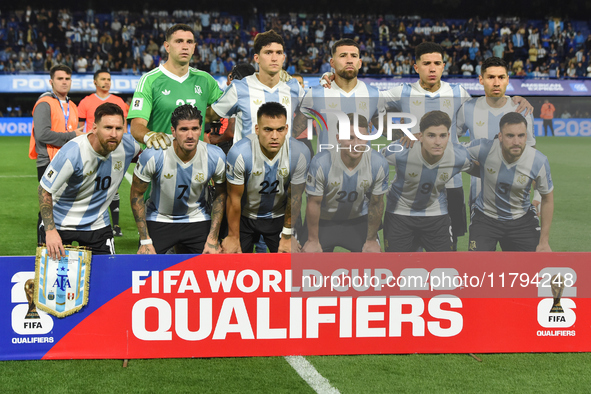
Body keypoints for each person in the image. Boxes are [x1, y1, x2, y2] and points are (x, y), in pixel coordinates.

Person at [381, 42, 532, 251]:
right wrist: (400, 132)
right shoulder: (401, 92)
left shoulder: (458, 92)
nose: (432, 68)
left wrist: (514, 99)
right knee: (407, 251)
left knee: (449, 247)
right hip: (409, 185)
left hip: (450, 182)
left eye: (437, 63)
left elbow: (484, 106)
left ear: (444, 66)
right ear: (416, 67)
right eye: (426, 63)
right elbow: (371, 109)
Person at [38, 103, 140, 260]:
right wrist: (50, 231)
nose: (114, 134)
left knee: (107, 276)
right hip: (59, 224)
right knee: (54, 280)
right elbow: (44, 190)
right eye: (108, 127)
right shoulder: (72, 152)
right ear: (94, 128)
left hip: (97, 224)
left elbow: (147, 158)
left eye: (118, 128)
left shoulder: (128, 146)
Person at [129, 105, 227, 254]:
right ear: (173, 131)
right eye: (183, 129)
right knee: (145, 267)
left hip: (197, 219)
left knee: (212, 268)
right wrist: (145, 240)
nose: (190, 135)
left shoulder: (215, 155)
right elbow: (136, 194)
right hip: (159, 218)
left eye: (194, 129)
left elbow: (221, 193)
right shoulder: (154, 155)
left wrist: (213, 237)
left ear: (201, 129)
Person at [380, 111, 476, 252]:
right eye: (431, 135)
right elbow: (373, 161)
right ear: (420, 136)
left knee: (445, 268)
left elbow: (479, 169)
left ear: (448, 136)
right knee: (397, 268)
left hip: (436, 214)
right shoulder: (400, 151)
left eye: (442, 136)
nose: (437, 142)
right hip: (399, 214)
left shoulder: (459, 156)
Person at [222, 102, 310, 253]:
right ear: (257, 129)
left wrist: (287, 235)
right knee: (234, 262)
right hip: (244, 216)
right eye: (268, 130)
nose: (274, 136)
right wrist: (233, 236)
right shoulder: (240, 153)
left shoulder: (299, 153)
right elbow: (233, 199)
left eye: (280, 129)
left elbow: (294, 198)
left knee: (292, 261)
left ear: (286, 129)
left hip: (279, 217)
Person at [456, 57, 536, 208]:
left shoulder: (521, 109)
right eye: (491, 77)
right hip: (479, 196)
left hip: (516, 196)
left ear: (508, 80)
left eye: (501, 77)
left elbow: (531, 154)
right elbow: (449, 142)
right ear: (481, 79)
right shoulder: (467, 108)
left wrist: (537, 192)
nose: (496, 82)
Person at [466, 113, 553, 252]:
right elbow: (453, 152)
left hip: (521, 219)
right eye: (510, 136)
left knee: (533, 268)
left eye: (521, 135)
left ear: (526, 136)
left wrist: (544, 241)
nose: (516, 141)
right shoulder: (484, 148)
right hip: (485, 218)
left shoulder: (538, 161)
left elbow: (548, 199)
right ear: (500, 136)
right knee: (477, 267)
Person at [302, 114, 389, 253]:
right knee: (307, 259)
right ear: (338, 138)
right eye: (350, 138)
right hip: (324, 221)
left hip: (358, 220)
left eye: (361, 137)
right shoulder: (321, 162)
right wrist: (313, 240)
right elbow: (314, 203)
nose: (355, 144)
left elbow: (376, 203)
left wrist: (371, 240)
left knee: (373, 257)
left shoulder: (378, 163)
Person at [128, 24, 223, 149]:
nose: (185, 46)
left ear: (194, 47)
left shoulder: (205, 80)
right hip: (160, 159)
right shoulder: (149, 80)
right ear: (167, 46)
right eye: (179, 41)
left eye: (189, 42)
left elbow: (223, 108)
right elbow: (136, 125)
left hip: (195, 161)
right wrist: (150, 136)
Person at [210, 30, 304, 143]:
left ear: (283, 58)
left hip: (284, 161)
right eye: (268, 53)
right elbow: (208, 116)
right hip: (247, 160)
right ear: (256, 58)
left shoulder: (294, 88)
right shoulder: (239, 88)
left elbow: (312, 110)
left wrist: (293, 133)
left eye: (278, 53)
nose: (274, 58)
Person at [295, 38, 383, 152]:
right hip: (326, 168)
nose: (349, 60)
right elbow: (293, 131)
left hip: (364, 168)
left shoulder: (374, 94)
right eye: (343, 55)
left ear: (360, 63)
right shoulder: (316, 94)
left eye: (354, 56)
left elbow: (390, 130)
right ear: (332, 62)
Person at [29, 65, 85, 244]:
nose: (64, 82)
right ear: (51, 81)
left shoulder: (72, 106)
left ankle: (63, 245)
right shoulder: (45, 103)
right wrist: (73, 135)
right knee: (48, 207)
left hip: (70, 162)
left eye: (67, 79)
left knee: (66, 207)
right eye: (60, 79)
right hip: (49, 162)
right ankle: (43, 244)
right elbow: (43, 135)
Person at [78, 69, 130, 237]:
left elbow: (124, 126)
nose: (107, 82)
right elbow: (79, 127)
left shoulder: (119, 101)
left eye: (109, 79)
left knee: (112, 188)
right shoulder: (85, 102)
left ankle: (115, 225)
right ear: (95, 82)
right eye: (103, 79)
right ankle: (87, 219)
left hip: (112, 150)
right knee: (88, 186)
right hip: (90, 151)